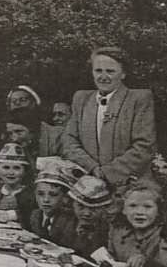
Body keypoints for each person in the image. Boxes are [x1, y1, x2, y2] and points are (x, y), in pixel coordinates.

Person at [60, 47, 157, 188]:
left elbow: (144, 146)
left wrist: (108, 172)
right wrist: (92, 167)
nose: (103, 77)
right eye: (98, 70)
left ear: (123, 74)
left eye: (110, 71)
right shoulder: (81, 99)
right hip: (87, 182)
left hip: (130, 183)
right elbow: (69, 141)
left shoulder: (139, 99)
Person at [103, 180, 164, 267]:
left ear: (158, 211)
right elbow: (111, 256)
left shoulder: (163, 234)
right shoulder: (117, 230)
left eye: (147, 206)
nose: (140, 212)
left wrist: (146, 260)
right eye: (132, 206)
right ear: (123, 209)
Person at [28, 157, 84, 247]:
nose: (46, 200)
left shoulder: (70, 222)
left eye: (53, 194)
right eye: (40, 194)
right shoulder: (35, 215)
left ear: (65, 198)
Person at [65, 174, 114, 258]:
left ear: (104, 208)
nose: (87, 213)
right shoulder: (66, 221)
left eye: (94, 208)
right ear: (73, 203)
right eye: (80, 206)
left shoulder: (108, 231)